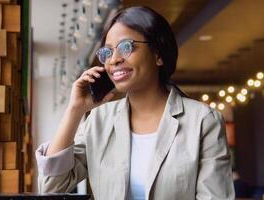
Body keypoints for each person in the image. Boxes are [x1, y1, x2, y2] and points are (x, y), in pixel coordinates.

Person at [35, 6, 234, 200]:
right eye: (107, 52)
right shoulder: (99, 121)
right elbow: (51, 187)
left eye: (126, 47)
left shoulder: (203, 121)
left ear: (157, 54)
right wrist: (75, 110)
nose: (113, 60)